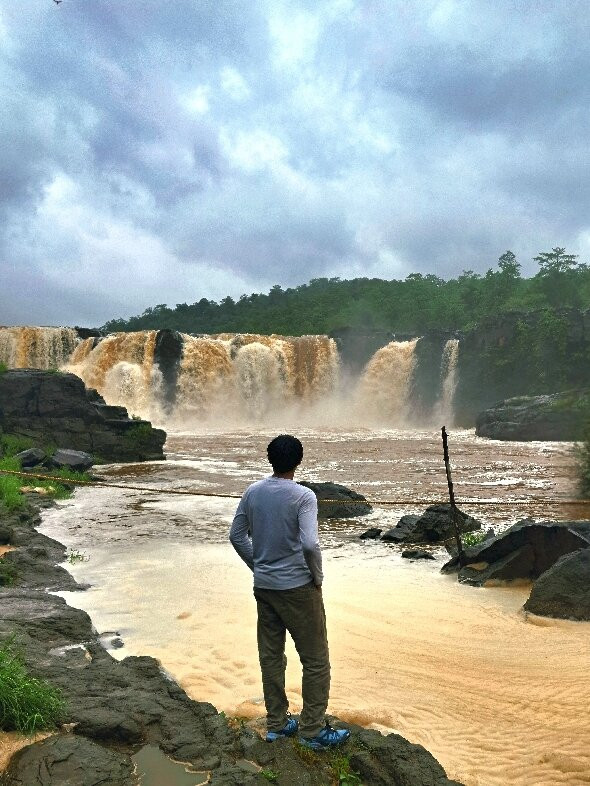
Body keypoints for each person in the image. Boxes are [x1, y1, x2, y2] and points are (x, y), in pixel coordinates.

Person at [229, 434, 350, 750]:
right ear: (299, 460)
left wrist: (258, 566)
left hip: (264, 587)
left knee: (271, 656)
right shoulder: (304, 496)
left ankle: (278, 725)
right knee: (315, 660)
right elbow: (310, 544)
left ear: (270, 459)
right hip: (298, 588)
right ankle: (312, 730)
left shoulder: (253, 492)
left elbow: (237, 536)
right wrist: (317, 576)